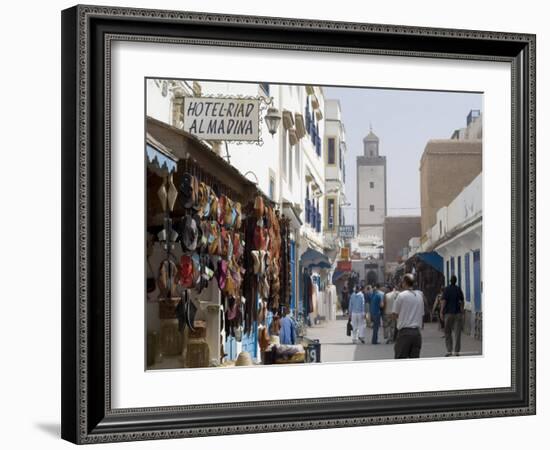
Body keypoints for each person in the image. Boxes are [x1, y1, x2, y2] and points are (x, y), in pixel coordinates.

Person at [392, 273, 424, 359]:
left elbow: (395, 314)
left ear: (405, 282)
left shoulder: (401, 296)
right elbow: (421, 314)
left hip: (404, 333)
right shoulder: (420, 296)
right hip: (417, 334)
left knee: (400, 358)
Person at [440, 275, 465, 356]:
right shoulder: (458, 289)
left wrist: (441, 312)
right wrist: (462, 312)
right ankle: (457, 351)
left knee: (447, 332)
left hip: (448, 314)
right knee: (457, 333)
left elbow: (444, 301)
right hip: (457, 314)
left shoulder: (446, 289)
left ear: (450, 281)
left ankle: (449, 350)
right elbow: (462, 302)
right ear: (456, 281)